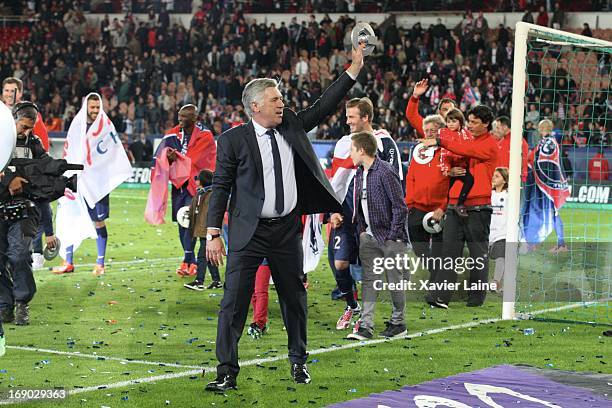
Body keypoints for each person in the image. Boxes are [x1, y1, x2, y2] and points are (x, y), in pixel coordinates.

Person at [204, 46, 364, 391]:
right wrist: (212, 232)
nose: (282, 103)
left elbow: (324, 104)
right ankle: (226, 372)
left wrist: (353, 69)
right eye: (275, 99)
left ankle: (298, 363)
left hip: (287, 230)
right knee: (233, 304)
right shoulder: (231, 141)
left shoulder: (291, 122)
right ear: (255, 106)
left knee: (294, 300)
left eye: (281, 98)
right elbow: (220, 187)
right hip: (249, 232)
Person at [329, 97, 403, 331]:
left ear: (366, 118)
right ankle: (353, 306)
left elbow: (395, 178)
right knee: (340, 263)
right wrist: (333, 209)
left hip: (374, 218)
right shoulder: (343, 143)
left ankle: (393, 320)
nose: (347, 121)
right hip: (346, 213)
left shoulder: (384, 142)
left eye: (352, 117)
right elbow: (336, 181)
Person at [421, 105, 498, 308]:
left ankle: (476, 299)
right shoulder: (466, 141)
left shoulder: (490, 144)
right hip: (455, 204)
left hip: (478, 207)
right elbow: (455, 153)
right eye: (469, 121)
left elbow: (466, 150)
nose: (470, 125)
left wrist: (440, 141)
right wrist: (448, 167)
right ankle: (441, 297)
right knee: (449, 252)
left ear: (486, 124)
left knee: (477, 254)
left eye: (474, 122)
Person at [346, 131, 408, 341]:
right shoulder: (359, 173)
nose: (350, 154)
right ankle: (366, 326)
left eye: (352, 149)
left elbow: (400, 207)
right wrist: (363, 230)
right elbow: (360, 204)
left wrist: (391, 236)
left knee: (394, 282)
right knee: (370, 281)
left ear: (362, 150)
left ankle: (398, 323)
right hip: (370, 237)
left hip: (390, 238)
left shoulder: (385, 171)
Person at [152, 104, 216, 277]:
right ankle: (188, 258)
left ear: (194, 118)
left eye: (184, 117)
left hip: (197, 186)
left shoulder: (205, 135)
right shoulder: (173, 133)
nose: (180, 119)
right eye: (179, 116)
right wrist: (167, 157)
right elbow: (160, 155)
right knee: (182, 221)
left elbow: (199, 159)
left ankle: (192, 261)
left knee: (191, 221)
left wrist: (177, 157)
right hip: (179, 185)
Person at [52, 94, 111, 275]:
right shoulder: (76, 127)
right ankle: (68, 262)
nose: (94, 110)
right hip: (76, 180)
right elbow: (69, 152)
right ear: (86, 107)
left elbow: (110, 155)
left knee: (98, 221)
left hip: (96, 184)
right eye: (91, 107)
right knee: (69, 216)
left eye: (97, 107)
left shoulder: (106, 128)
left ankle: (100, 263)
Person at [0, 102, 47, 325]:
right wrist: (10, 180)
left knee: (19, 256)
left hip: (23, 208)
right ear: (13, 120)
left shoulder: (33, 144)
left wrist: (58, 168)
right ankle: (4, 306)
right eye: (24, 126)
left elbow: (44, 167)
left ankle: (22, 303)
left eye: (31, 128)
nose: (26, 132)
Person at [2, 77, 55, 270]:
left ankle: (38, 250)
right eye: (6, 90)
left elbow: (40, 142)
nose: (9, 94)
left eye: (13, 91)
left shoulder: (30, 115)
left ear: (20, 93)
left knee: (38, 206)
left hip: (26, 173)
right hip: (5, 179)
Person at [404, 114, 448, 304]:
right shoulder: (418, 151)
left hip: (439, 209)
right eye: (426, 131)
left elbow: (453, 182)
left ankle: (435, 288)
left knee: (439, 250)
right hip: (417, 207)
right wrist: (409, 201)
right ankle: (436, 274)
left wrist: (443, 207)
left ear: (441, 132)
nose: (428, 134)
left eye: (433, 131)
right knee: (418, 246)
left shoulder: (448, 151)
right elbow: (410, 177)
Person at [183, 170, 222, 291]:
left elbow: (211, 213)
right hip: (201, 229)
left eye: (197, 178)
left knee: (202, 256)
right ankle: (217, 281)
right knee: (209, 256)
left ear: (202, 180)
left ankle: (199, 281)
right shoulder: (200, 193)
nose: (196, 180)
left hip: (208, 230)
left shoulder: (211, 194)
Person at [440, 108, 474, 217]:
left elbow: (471, 150)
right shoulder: (444, 133)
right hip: (450, 167)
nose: (450, 124)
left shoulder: (467, 134)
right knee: (445, 190)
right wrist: (448, 171)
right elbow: (445, 154)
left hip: (463, 166)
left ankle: (460, 204)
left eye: (453, 121)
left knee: (470, 180)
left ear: (460, 121)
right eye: (448, 122)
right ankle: (442, 209)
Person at [491, 116, 528, 182]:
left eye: (498, 128)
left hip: (516, 182)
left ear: (505, 127)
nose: (496, 130)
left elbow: (523, 162)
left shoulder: (518, 141)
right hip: (502, 182)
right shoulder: (500, 143)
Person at [489, 168, 509, 292]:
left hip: (503, 232)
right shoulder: (488, 194)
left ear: (504, 180)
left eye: (497, 176)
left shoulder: (509, 196)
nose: (493, 178)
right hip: (488, 232)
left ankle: (496, 281)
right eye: (493, 175)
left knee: (500, 256)